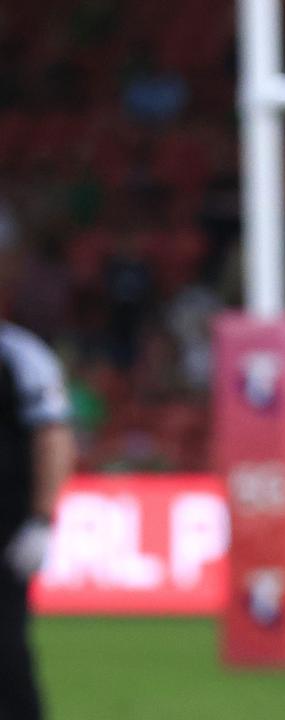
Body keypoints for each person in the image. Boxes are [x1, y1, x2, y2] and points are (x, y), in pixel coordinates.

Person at [0, 236, 75, 720]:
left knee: (5, 650)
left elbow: (53, 437)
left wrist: (43, 519)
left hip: (3, 533)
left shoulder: (19, 356)